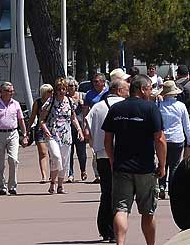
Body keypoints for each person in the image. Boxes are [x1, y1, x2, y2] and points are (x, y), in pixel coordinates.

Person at [103, 75, 166, 245]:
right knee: (148, 211)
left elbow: (107, 140)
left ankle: (120, 243)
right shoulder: (151, 108)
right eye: (150, 88)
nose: (151, 91)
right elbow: (160, 139)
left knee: (121, 209)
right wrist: (162, 165)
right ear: (142, 89)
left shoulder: (116, 109)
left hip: (121, 166)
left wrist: (112, 159)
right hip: (145, 168)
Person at [87, 78, 127, 242]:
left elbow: (87, 125)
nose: (128, 91)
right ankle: (112, 229)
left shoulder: (97, 107)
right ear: (119, 90)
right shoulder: (124, 105)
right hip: (120, 153)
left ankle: (105, 227)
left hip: (101, 154)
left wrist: (94, 142)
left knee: (106, 191)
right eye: (126, 88)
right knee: (118, 193)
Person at [0, 82, 29, 195]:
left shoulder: (16, 104)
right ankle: (2, 185)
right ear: (2, 92)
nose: (11, 93)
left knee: (13, 159)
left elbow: (21, 120)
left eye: (12, 91)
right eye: (9, 91)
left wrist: (24, 135)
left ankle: (12, 186)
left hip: (13, 133)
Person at [40, 78, 84, 195]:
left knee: (64, 161)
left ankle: (58, 185)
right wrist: (45, 130)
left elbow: (73, 117)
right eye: (59, 89)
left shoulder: (69, 101)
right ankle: (53, 182)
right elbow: (41, 120)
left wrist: (79, 130)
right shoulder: (50, 101)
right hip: (52, 134)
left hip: (66, 135)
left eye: (63, 89)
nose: (61, 91)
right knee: (56, 157)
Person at [159, 80, 190, 200]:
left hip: (162, 139)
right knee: (174, 165)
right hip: (177, 138)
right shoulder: (181, 106)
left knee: (163, 163)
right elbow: (186, 125)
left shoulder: (159, 106)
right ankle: (172, 188)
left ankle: (161, 186)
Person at [26, 83, 54, 184]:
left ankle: (53, 175)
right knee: (43, 153)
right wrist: (27, 131)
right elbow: (33, 116)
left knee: (53, 153)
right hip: (40, 129)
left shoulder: (54, 101)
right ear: (44, 92)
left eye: (52, 91)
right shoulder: (38, 102)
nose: (51, 93)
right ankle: (44, 176)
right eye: (49, 91)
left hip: (52, 128)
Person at [68, 83, 89, 182]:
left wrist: (83, 104)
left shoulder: (83, 96)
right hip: (68, 128)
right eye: (68, 85)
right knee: (69, 152)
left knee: (81, 152)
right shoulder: (65, 98)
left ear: (75, 86)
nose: (70, 87)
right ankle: (70, 174)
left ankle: (83, 170)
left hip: (80, 126)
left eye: (71, 85)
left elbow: (88, 110)